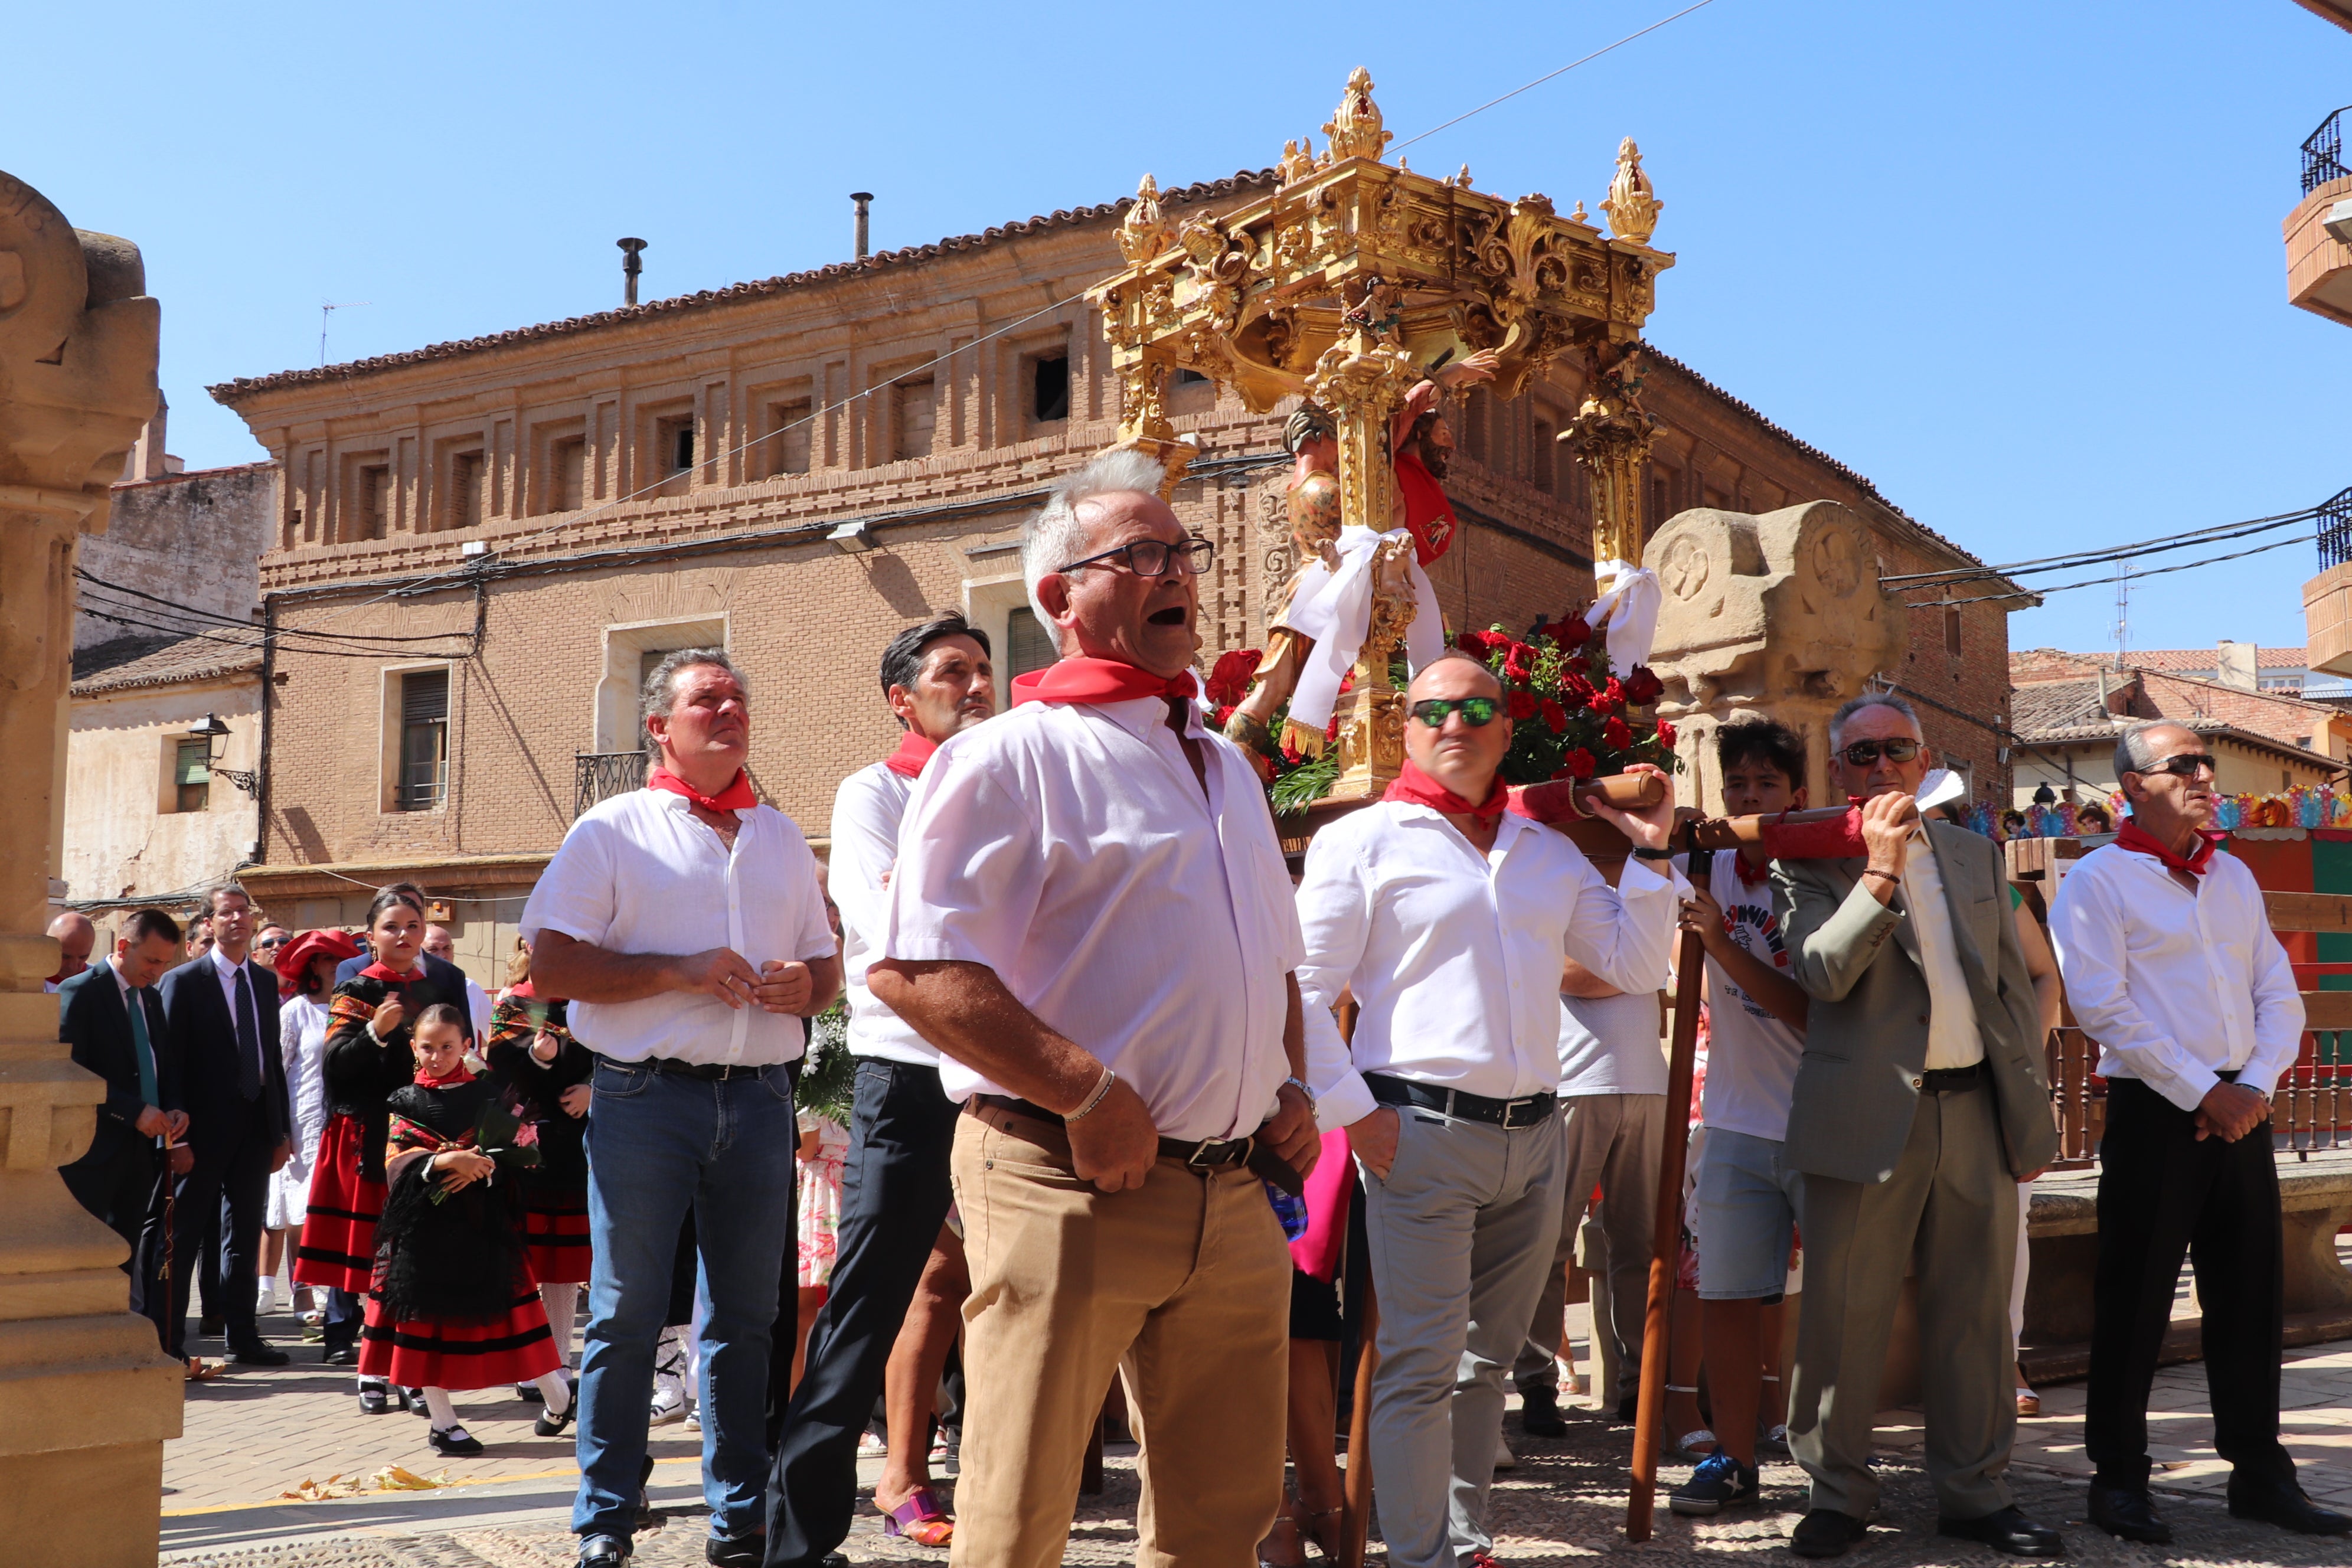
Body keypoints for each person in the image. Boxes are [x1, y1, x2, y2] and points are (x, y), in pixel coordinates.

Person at [869, 448, 1319, 1568]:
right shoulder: (1003, 757)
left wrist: (1290, 1083)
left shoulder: (1221, 768)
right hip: (1064, 1178)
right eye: (1139, 554)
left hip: (1232, 1194)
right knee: (1018, 1521)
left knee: (1220, 1523)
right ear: (1058, 597)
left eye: (1182, 551)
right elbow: (914, 970)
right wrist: (1087, 1088)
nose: (1177, 571)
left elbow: (1270, 958)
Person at [1295, 649, 1677, 1568]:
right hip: (1417, 1133)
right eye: (1433, 712)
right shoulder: (1365, 840)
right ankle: (1422, 1556)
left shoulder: (1543, 851)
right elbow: (1300, 991)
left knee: (1485, 1368)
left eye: (1477, 709)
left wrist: (1652, 848)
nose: (1454, 726)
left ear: (1508, 729)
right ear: (1407, 729)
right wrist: (1357, 1116)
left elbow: (1632, 965)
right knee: (1421, 1366)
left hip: (1535, 1137)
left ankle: (1464, 1544)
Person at [527, 647, 840, 1568]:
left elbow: (828, 970)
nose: (729, 709)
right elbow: (550, 966)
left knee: (747, 1320)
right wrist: (682, 969)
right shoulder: (612, 830)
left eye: (738, 697)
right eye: (708, 699)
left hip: (758, 1101)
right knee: (625, 1315)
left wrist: (803, 987)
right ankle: (607, 1518)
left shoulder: (780, 836)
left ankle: (739, 1516)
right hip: (643, 1098)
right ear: (659, 726)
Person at [1775, 694, 2062, 1559]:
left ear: (1924, 754)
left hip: (1974, 1106)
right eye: (1861, 756)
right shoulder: (1811, 859)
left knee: (1977, 1315)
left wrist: (2026, 1100)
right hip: (1867, 1119)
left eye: (1895, 749)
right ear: (1839, 772)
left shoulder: (1978, 856)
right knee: (1842, 1316)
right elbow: (1822, 973)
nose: (1881, 767)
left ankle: (1978, 1493)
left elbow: (2016, 986)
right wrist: (1880, 871)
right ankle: (1836, 1493)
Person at [2050, 721, 2348, 1541]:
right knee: (2136, 1298)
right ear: (2133, 787)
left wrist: (2250, 1086)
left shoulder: (2234, 876)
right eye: (2183, 765)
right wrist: (2198, 1092)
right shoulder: (2098, 881)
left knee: (2251, 1297)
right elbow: (2101, 1005)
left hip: (2241, 1108)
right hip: (2156, 1110)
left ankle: (2259, 1473)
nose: (2204, 776)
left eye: (2207, 765)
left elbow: (2277, 994)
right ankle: (2117, 1479)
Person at [766, 611, 996, 1567]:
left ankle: (994, 1503)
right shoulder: (872, 792)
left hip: (1007, 1072)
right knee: (865, 1306)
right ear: (902, 699)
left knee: (1020, 1295)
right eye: (954, 672)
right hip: (906, 1075)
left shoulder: (1014, 790)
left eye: (986, 669)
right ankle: (798, 1541)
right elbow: (886, 922)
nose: (978, 685)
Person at [1665, 720, 1811, 1514]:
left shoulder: (1818, 875)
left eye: (1765, 786)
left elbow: (1810, 1011)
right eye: (1737, 787)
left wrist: (1722, 946)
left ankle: (1831, 1455)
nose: (1749, 800)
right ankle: (1733, 1456)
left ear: (1797, 796)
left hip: (1815, 1120)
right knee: (1723, 1294)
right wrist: (1673, 833)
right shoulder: (1708, 867)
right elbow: (1640, 855)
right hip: (1731, 1118)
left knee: (1820, 1300)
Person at [1513, 848, 1675, 1439]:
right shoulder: (1553, 892)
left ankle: (1639, 1381)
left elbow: (1663, 962)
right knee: (1545, 1243)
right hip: (1573, 1082)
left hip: (1646, 1085)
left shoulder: (1646, 891)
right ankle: (1536, 1381)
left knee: (1640, 1244)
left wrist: (1640, 962)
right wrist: (1639, 965)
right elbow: (1567, 971)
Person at [360, 1002, 570, 1456]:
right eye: (428, 1048)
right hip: (424, 1234)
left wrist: (487, 1168)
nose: (437, 1056)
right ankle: (443, 1424)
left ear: (467, 1046)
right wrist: (443, 1161)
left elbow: (522, 1156)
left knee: (518, 1317)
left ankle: (560, 1399)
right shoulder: (404, 1100)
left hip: (485, 1227)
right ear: (414, 1048)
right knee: (426, 1326)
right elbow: (395, 1164)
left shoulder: (490, 1096)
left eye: (448, 1047)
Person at [300, 888, 471, 1409]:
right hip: (368, 1137)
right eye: (392, 927)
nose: (404, 936)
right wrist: (374, 1033)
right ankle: (370, 1375)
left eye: (413, 926)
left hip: (427, 1137)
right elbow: (335, 1067)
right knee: (378, 1262)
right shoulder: (355, 987)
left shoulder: (442, 981)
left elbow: (462, 1053)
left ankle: (412, 1376)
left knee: (413, 1262)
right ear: (370, 935)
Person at [155, 884, 293, 1370]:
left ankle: (244, 1335)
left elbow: (271, 1060)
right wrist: (179, 1136)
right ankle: (169, 1339)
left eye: (243, 912)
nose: (236, 919)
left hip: (255, 1126)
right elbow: (170, 1065)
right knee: (186, 1234)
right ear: (209, 924)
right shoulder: (184, 982)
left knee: (244, 1230)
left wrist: (280, 1130)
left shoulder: (263, 981)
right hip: (200, 1129)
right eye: (225, 913)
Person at [58, 908, 191, 1336]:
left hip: (142, 1149)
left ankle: (118, 1338)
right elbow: (71, 1070)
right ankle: (81, 1338)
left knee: (127, 1250)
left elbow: (163, 1061)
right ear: (123, 947)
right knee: (88, 1254)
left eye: (164, 964)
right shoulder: (81, 992)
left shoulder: (149, 996)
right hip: (93, 1151)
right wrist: (133, 1111)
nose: (157, 972)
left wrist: (173, 1106)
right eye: (151, 961)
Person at [484, 937, 593, 1399]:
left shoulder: (592, 999)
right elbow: (498, 1071)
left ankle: (561, 1361)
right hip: (528, 1149)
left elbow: (622, 1057)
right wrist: (535, 1058)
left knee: (565, 1265)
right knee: (527, 1259)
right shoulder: (514, 1003)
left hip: (577, 1148)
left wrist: (594, 1089)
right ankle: (530, 1362)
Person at [261, 929, 361, 1319]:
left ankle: (335, 1293)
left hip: (345, 1120)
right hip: (303, 1119)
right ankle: (302, 1292)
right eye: (328, 959)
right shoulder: (295, 1011)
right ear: (313, 966)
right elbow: (277, 1072)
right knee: (300, 1211)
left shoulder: (354, 1010)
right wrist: (280, 1132)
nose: (337, 967)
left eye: (342, 959)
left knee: (335, 1207)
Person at [423, 923, 495, 1042]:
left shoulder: (471, 988)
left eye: (447, 949)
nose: (442, 955)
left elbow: (493, 1034)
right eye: (433, 950)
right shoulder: (412, 988)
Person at [45, 910, 96, 990]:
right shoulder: (25, 982)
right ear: (48, 948)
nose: (72, 967)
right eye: (65, 957)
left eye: (83, 957)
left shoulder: (99, 984)